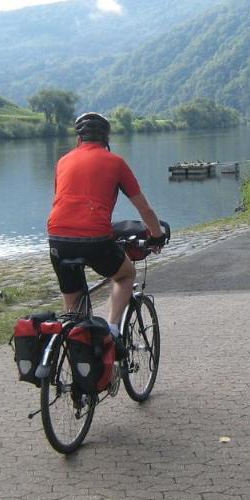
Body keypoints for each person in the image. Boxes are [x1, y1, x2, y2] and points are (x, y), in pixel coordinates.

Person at [47, 111, 165, 336]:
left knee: (73, 312)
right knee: (124, 274)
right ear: (106, 139)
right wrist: (157, 235)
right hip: (95, 238)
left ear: (78, 139)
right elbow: (145, 209)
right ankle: (112, 330)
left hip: (57, 238)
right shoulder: (115, 162)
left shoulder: (62, 162)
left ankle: (76, 348)